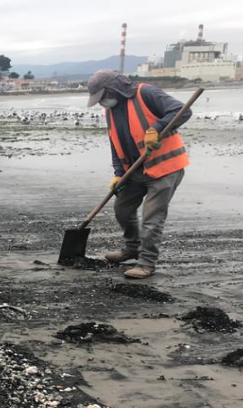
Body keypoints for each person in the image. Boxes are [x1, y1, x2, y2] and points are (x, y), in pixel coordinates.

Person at [86, 69, 192, 279]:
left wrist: (157, 128)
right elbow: (115, 143)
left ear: (113, 89)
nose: (102, 103)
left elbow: (182, 110)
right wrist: (118, 173)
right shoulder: (111, 111)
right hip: (135, 170)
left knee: (152, 218)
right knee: (122, 209)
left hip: (165, 168)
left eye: (103, 97)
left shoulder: (146, 93)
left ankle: (146, 263)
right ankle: (132, 248)